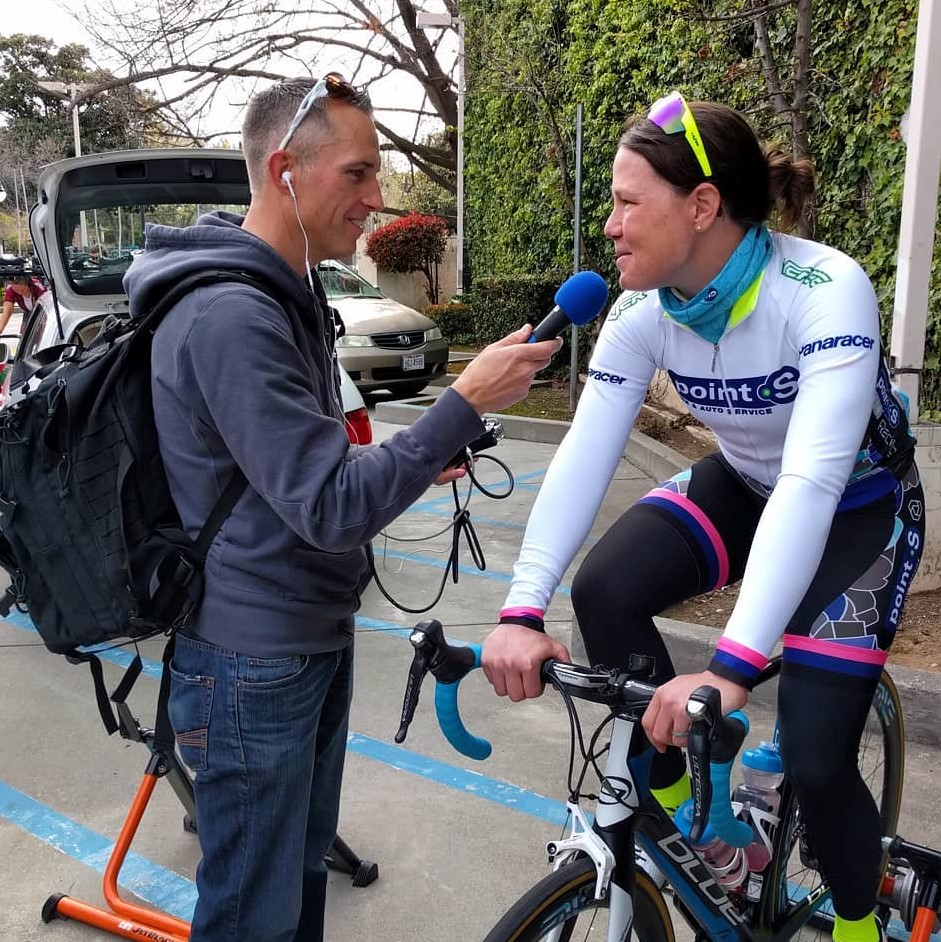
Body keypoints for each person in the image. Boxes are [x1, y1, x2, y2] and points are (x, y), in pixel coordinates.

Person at [123, 74, 560, 942]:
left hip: (296, 643)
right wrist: (459, 404)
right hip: (252, 661)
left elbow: (294, 473)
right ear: (284, 169)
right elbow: (325, 506)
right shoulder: (230, 314)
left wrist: (412, 455)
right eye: (358, 174)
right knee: (254, 916)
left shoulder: (285, 295)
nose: (378, 198)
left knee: (293, 897)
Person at [483, 91, 923, 942]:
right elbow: (584, 454)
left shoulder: (822, 287)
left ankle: (860, 928)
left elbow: (811, 480)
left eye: (624, 203)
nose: (607, 227)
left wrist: (725, 671)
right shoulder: (641, 312)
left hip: (855, 509)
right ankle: (707, 823)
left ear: (702, 206)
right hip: (751, 484)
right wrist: (520, 606)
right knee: (605, 590)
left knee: (818, 752)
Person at [0, 263, 47, 334]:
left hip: (42, 312)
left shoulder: (37, 287)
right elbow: (8, 309)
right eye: (16, 291)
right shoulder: (10, 289)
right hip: (27, 312)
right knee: (24, 334)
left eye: (22, 290)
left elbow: (46, 306)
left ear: (27, 284)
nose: (20, 293)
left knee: (42, 333)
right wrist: (0, 329)